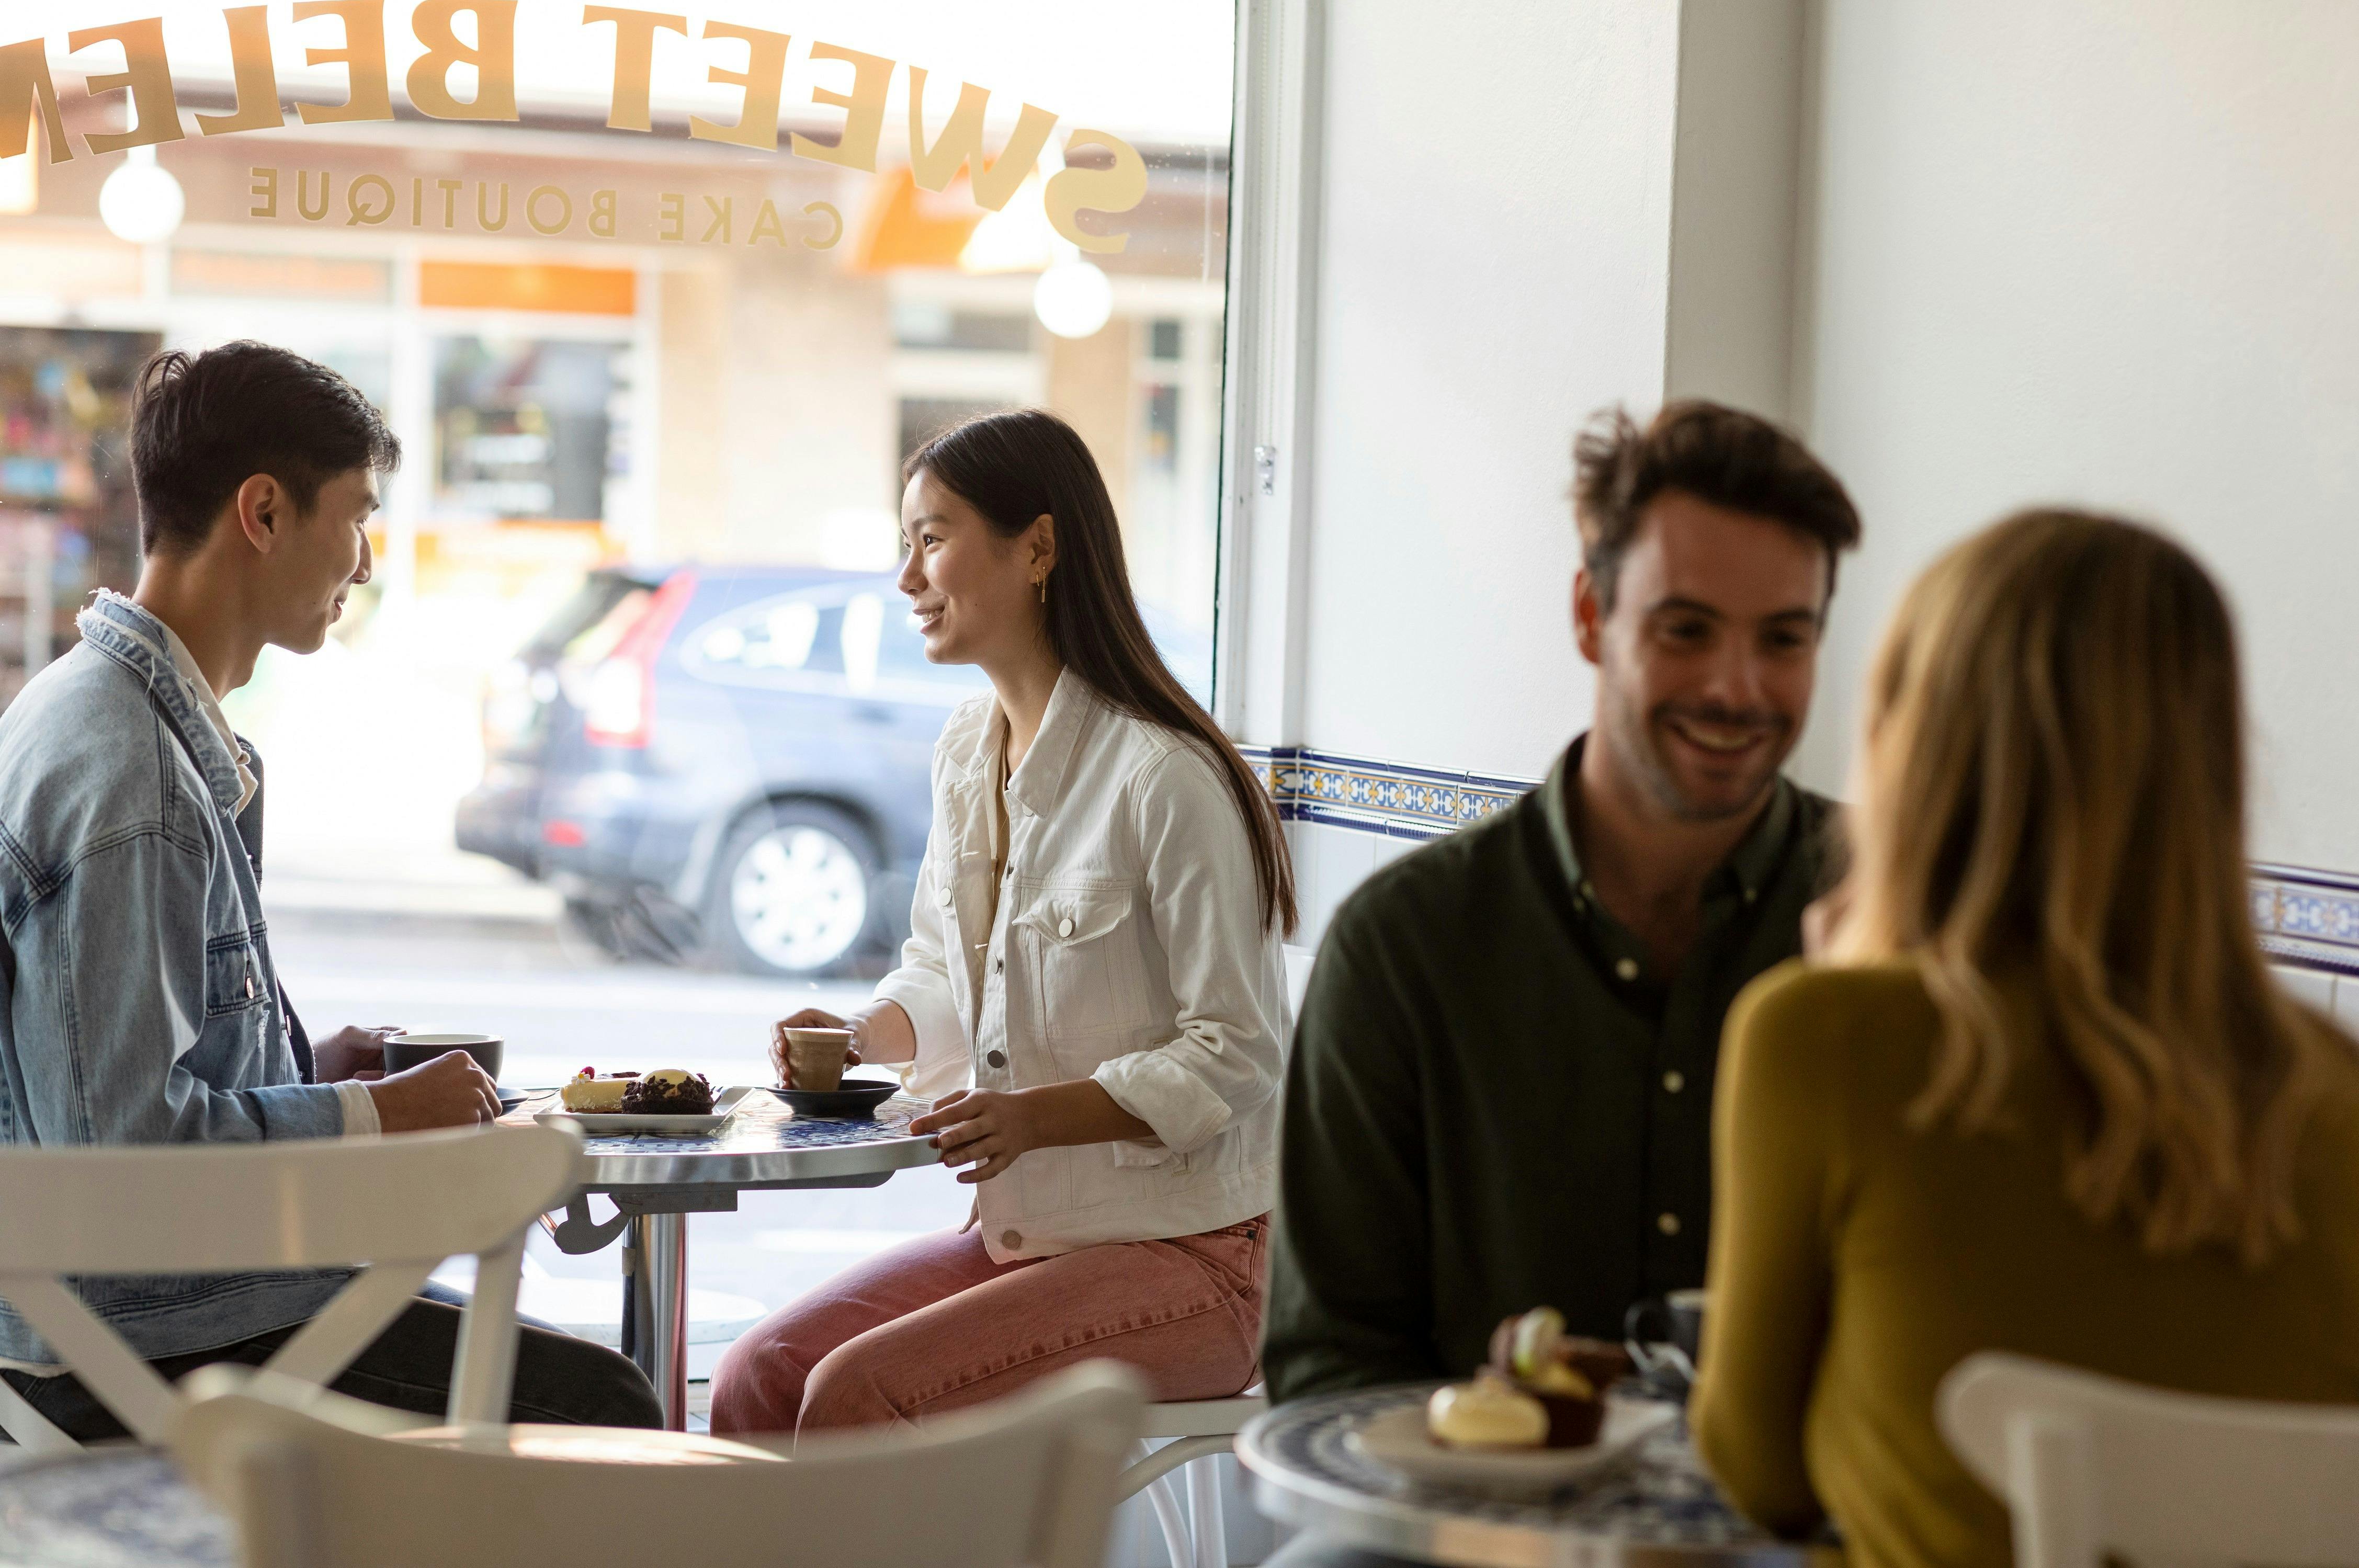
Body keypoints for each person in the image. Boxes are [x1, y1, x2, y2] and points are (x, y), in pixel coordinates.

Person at [0, 342, 660, 1439]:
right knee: (602, 1407)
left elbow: (93, 1074)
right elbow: (117, 1160)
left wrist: (308, 1076)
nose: (363, 563)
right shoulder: (136, 778)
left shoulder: (82, 711)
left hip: (138, 1318)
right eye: (356, 516)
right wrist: (374, 1114)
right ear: (263, 512)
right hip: (146, 1344)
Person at [1691, 512, 2359, 1568]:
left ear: (1919, 746)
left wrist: (1852, 980)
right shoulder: (2337, 1085)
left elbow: (1753, 1471)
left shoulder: (1822, 1038)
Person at [1260, 402, 1862, 1411]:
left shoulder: (1903, 917)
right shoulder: (1404, 948)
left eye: (1783, 639)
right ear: (1591, 615)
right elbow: (1328, 1370)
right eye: (1686, 630)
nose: (1737, 687)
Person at [709, 408, 1291, 1437]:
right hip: (1027, 1238)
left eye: (932, 538)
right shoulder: (968, 746)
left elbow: (1239, 1052)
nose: (907, 579)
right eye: (907, 544)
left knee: (859, 1395)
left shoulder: (1166, 777)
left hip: (1196, 1259)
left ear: (1036, 547)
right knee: (756, 1376)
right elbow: (941, 969)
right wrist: (853, 1041)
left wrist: (1035, 1116)